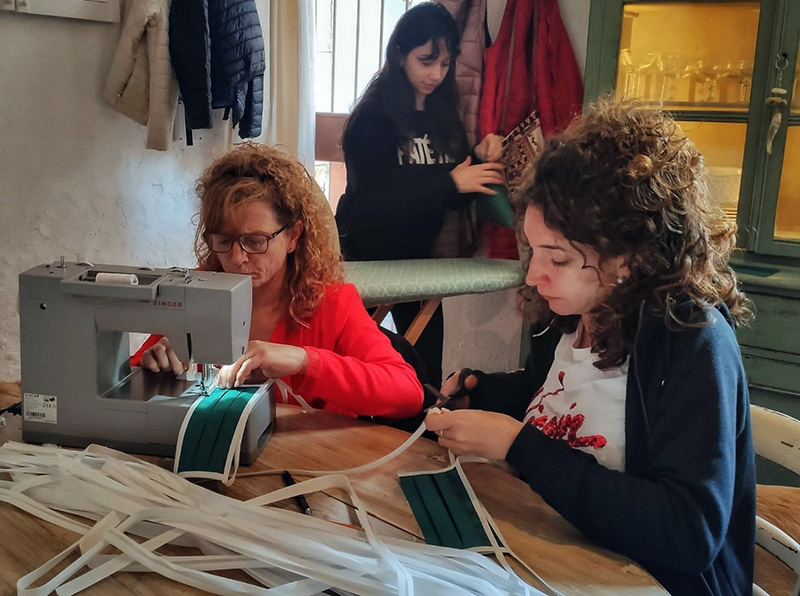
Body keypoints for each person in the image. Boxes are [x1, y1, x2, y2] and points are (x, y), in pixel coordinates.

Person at [425, 101, 756, 595]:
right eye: (533, 250)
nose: (535, 276)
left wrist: (520, 446)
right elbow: (571, 401)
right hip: (550, 555)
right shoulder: (577, 313)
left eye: (556, 258)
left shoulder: (693, 343)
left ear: (630, 255)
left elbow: (689, 534)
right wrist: (491, 395)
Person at [132, 143, 424, 420]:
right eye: (223, 240)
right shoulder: (195, 290)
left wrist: (304, 361)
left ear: (293, 236)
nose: (237, 258)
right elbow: (132, 374)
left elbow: (407, 393)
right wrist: (152, 366)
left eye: (255, 241)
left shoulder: (331, 302)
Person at [335, 1, 504, 386]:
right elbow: (371, 205)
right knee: (362, 367)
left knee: (426, 371)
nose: (436, 74)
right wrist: (451, 183)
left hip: (419, 260)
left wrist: (477, 161)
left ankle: (426, 435)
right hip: (364, 254)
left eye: (445, 64)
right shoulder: (372, 119)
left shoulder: (443, 111)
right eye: (426, 60)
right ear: (399, 54)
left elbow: (450, 191)